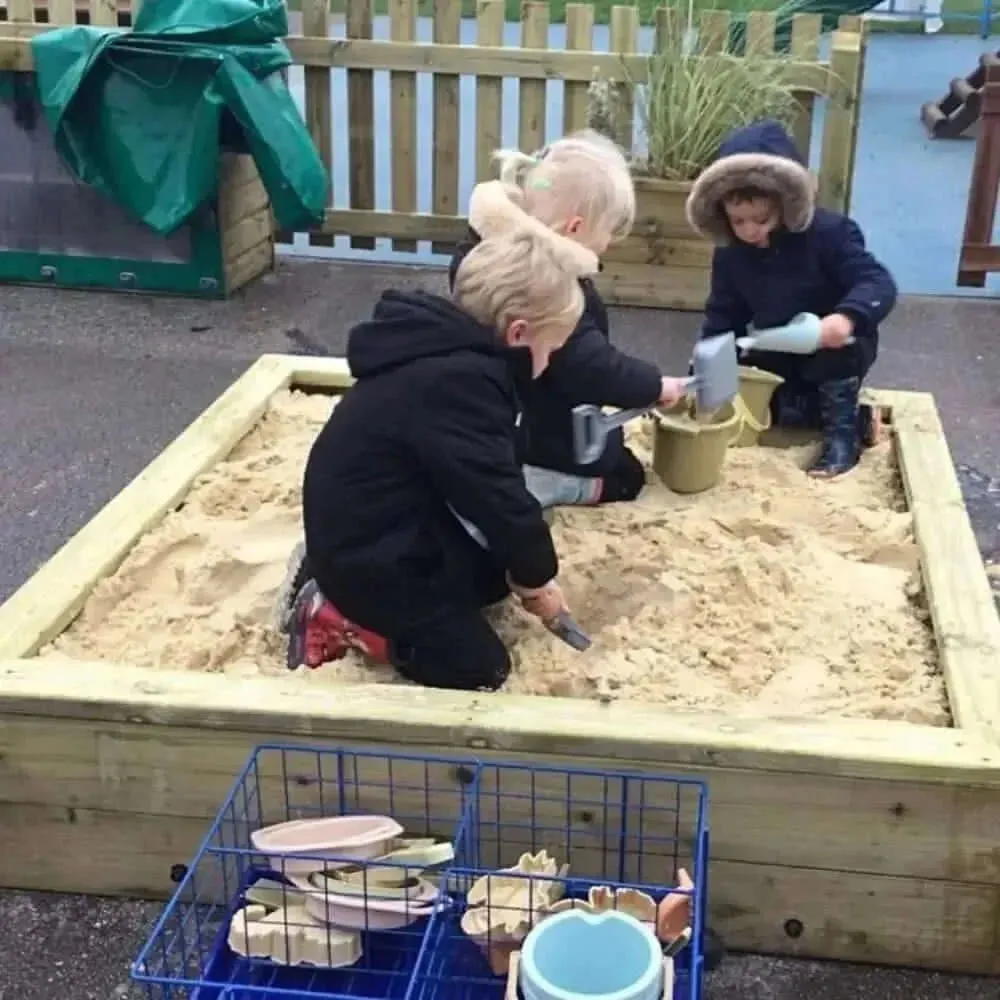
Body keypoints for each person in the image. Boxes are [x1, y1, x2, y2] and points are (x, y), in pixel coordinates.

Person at [286, 223, 599, 690]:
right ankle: (337, 617)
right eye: (550, 348)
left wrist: (520, 568)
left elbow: (492, 472)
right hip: (369, 552)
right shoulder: (461, 384)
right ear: (518, 333)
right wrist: (538, 578)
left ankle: (331, 581)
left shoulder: (447, 355)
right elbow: (497, 496)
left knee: (494, 580)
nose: (550, 361)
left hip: (383, 525)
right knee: (480, 668)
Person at [448, 130, 691, 509]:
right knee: (625, 473)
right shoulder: (547, 288)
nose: (608, 244)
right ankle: (556, 485)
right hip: (536, 426)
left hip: (491, 413)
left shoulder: (482, 251)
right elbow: (589, 365)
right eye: (608, 231)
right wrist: (654, 385)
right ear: (575, 228)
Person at [685, 119, 898, 478]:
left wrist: (846, 317)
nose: (750, 231)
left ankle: (842, 440)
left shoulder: (831, 234)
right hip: (777, 342)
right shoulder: (732, 254)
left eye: (761, 219)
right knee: (771, 404)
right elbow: (724, 313)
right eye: (738, 221)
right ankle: (859, 420)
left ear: (787, 204)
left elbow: (877, 282)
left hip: (832, 342)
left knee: (834, 363)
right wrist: (707, 365)